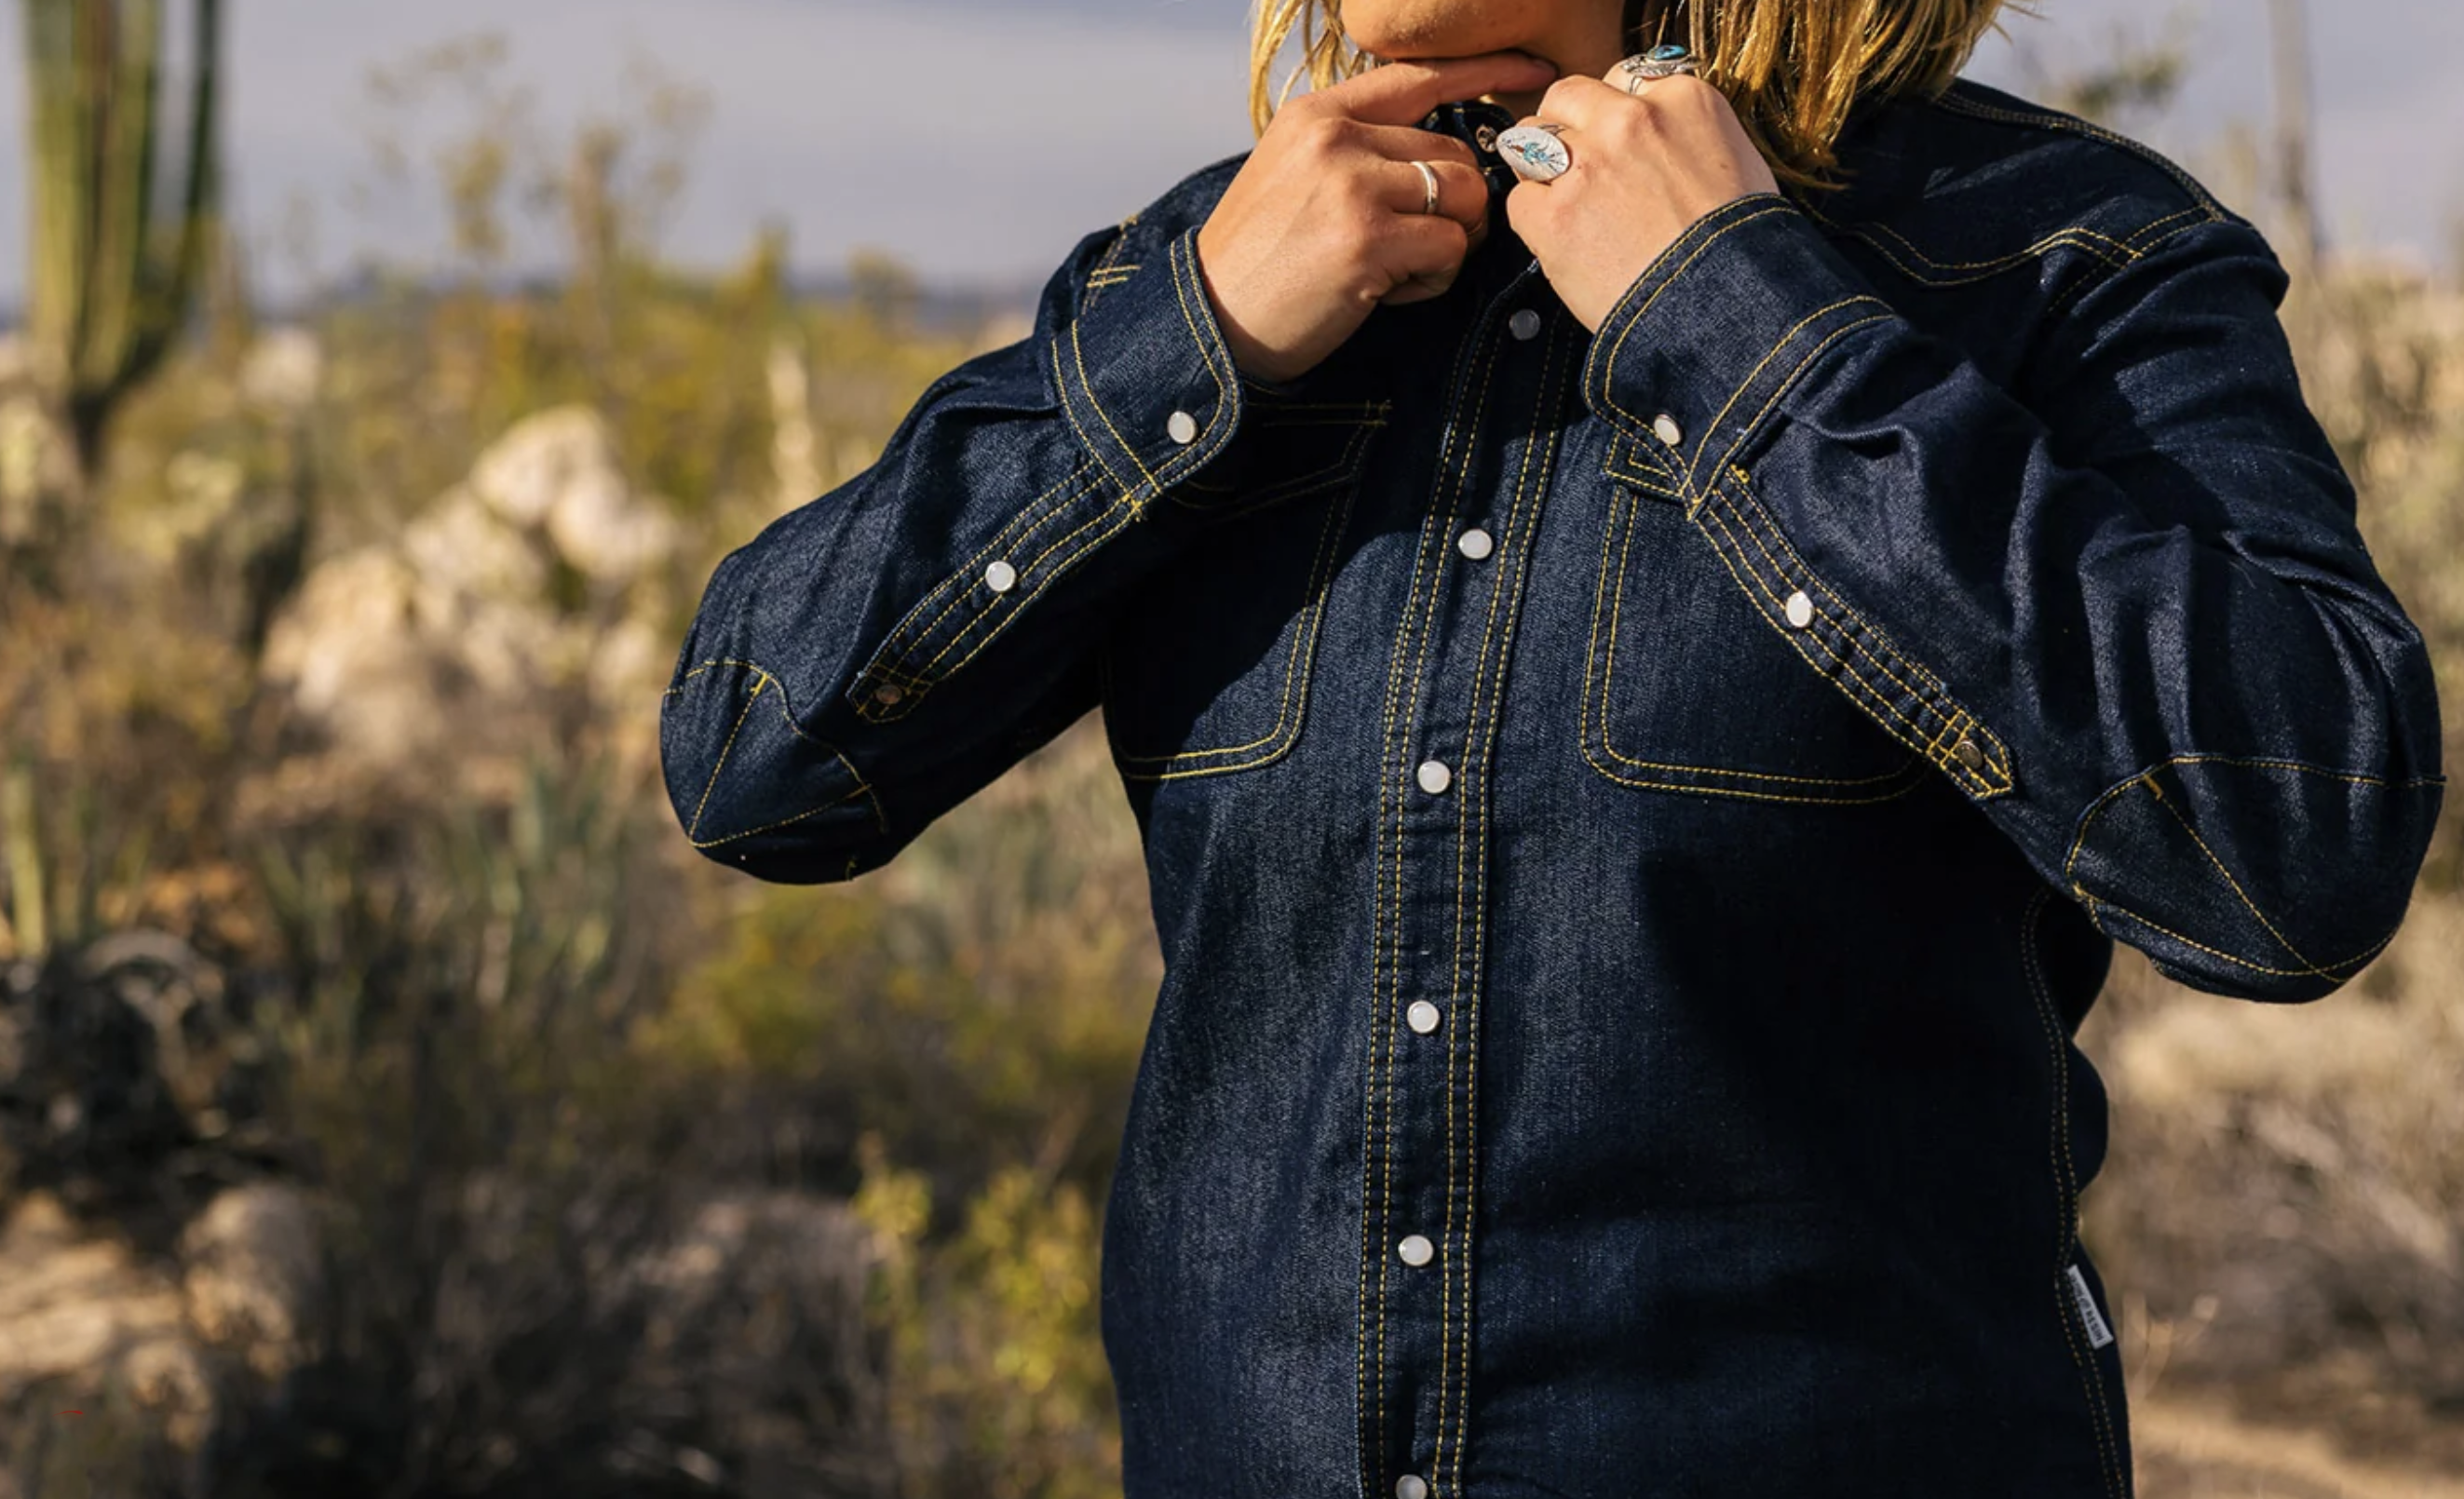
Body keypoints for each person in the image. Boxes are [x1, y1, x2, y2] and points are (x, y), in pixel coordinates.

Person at [659, 0, 2445, 1492]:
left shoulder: (2056, 252)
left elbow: (2288, 847)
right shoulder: (1208, 268)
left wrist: (1736, 315)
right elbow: (757, 761)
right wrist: (1187, 338)